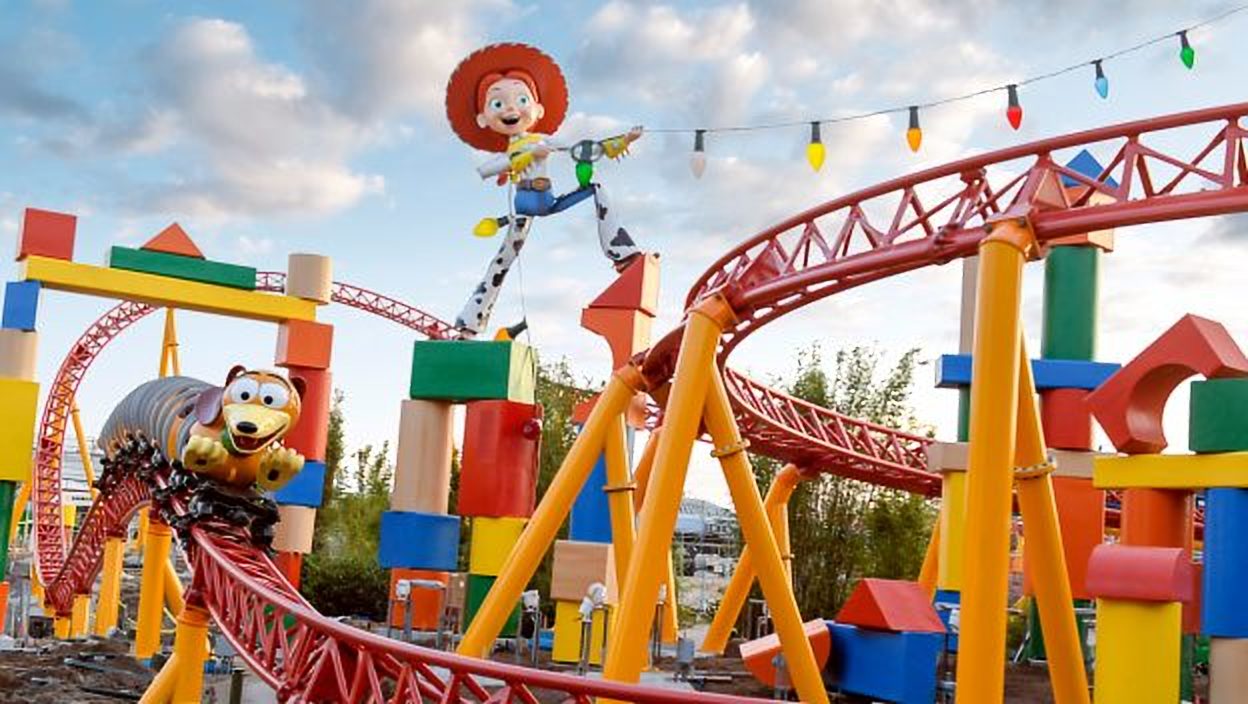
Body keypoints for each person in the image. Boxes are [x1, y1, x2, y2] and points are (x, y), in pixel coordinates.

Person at [445, 43, 644, 338]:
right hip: (523, 206)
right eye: (497, 103)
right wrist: (528, 155)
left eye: (521, 99)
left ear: (537, 109)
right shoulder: (517, 150)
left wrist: (624, 140)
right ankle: (469, 323)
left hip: (547, 200)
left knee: (596, 189)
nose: (511, 108)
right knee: (502, 260)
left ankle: (621, 252)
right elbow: (487, 170)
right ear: (483, 118)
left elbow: (582, 149)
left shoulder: (543, 140)